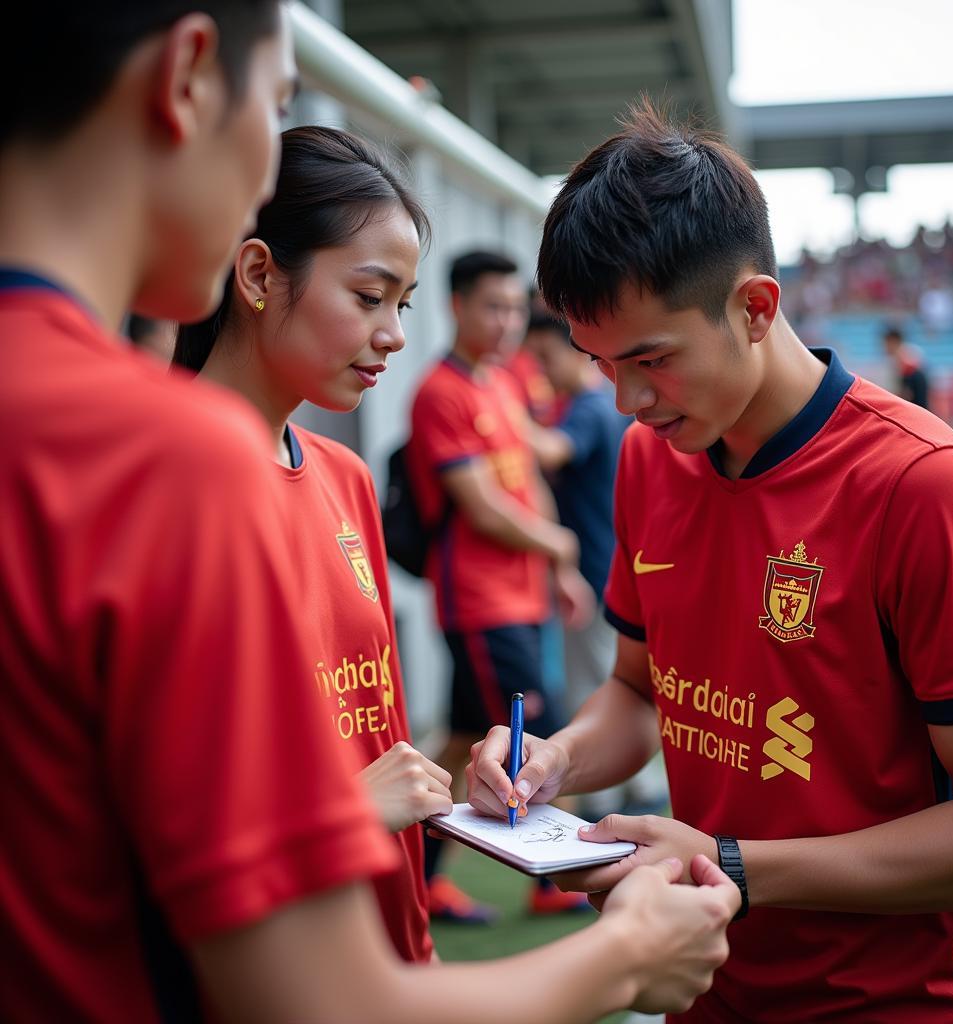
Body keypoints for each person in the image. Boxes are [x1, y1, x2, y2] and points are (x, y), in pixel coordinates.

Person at [0, 7, 740, 1020]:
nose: (395, 333)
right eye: (279, 105)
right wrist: (627, 957)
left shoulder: (314, 472)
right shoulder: (163, 456)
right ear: (190, 77)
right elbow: (315, 994)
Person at [467, 100, 953, 1024]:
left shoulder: (919, 487)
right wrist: (549, 763)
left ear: (755, 307)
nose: (628, 399)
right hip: (703, 992)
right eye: (600, 363)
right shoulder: (654, 455)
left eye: (651, 358)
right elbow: (642, 695)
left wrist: (728, 864)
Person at [173, 124, 455, 964]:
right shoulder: (165, 485)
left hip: (384, 946)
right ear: (259, 273)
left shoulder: (344, 476)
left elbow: (375, 725)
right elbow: (164, 814)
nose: (395, 333)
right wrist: (347, 813)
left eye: (402, 304)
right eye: (370, 297)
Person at [408, 250, 594, 920]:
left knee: (461, 743)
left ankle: (418, 880)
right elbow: (482, 505)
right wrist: (562, 543)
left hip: (521, 598)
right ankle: (552, 879)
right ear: (455, 306)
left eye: (516, 307)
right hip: (482, 605)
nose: (508, 321)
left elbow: (529, 484)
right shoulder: (440, 392)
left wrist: (559, 567)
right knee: (531, 738)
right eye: (493, 306)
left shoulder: (505, 383)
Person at [525, 312, 667, 819]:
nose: (537, 369)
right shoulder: (591, 406)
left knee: (596, 684)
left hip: (595, 572)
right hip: (606, 567)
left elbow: (553, 450)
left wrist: (498, 408)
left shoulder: (588, 407)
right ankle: (636, 791)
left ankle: (604, 803)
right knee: (618, 681)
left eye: (544, 357)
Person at [883, 324, 931, 409]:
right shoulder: (895, 358)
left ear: (894, 341)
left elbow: (913, 381)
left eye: (887, 343)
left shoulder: (908, 355)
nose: (885, 347)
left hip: (916, 386)